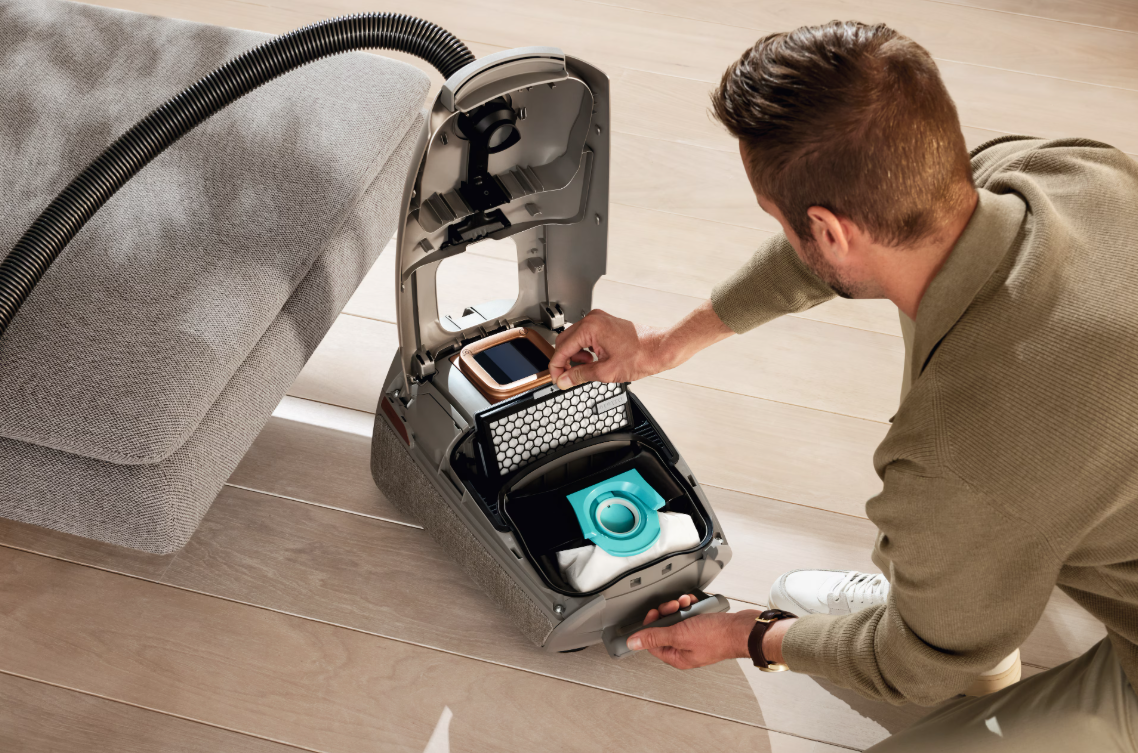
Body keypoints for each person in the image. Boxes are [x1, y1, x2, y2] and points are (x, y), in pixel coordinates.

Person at [547, 20, 1138, 752]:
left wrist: (748, 633)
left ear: (828, 231)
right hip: (1058, 491)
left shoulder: (957, 454)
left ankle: (955, 609)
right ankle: (960, 590)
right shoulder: (1065, 172)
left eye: (780, 220)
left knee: (938, 615)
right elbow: (827, 254)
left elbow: (915, 665)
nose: (785, 235)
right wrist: (663, 347)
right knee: (982, 520)